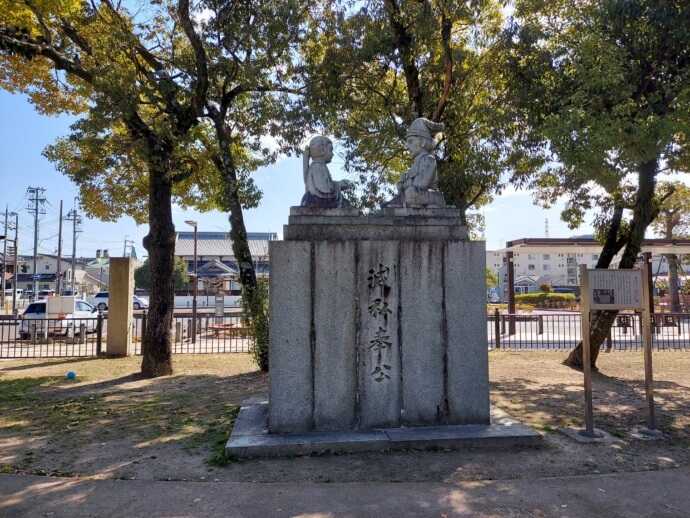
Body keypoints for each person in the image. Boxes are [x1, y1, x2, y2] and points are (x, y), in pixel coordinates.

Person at [386, 118, 447, 207]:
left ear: (422, 142)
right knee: (406, 193)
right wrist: (402, 184)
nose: (407, 146)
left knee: (410, 192)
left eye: (411, 141)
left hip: (431, 196)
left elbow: (421, 184)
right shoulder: (415, 164)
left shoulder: (429, 159)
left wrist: (405, 184)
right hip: (416, 194)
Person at [301, 136, 353, 208]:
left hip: (318, 198)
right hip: (316, 200)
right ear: (322, 150)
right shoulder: (317, 166)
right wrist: (339, 185)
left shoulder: (319, 166)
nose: (332, 154)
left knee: (346, 203)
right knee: (345, 204)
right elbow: (324, 187)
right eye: (331, 150)